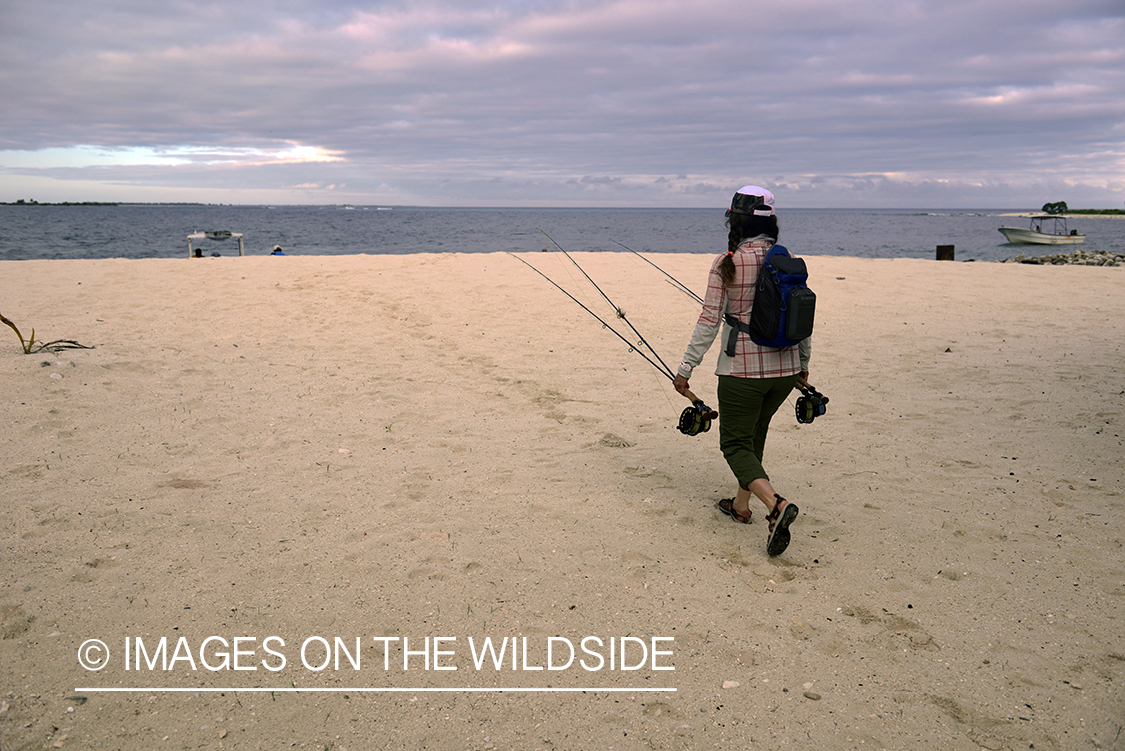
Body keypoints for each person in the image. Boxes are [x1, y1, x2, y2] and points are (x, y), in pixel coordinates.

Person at [673, 186, 811, 556]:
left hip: (742, 372)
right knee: (755, 434)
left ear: (735, 220)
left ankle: (775, 505)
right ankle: (740, 506)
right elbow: (803, 317)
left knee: (734, 443)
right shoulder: (789, 259)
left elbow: (708, 320)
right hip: (785, 369)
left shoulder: (728, 262)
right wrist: (803, 367)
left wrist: (685, 368)